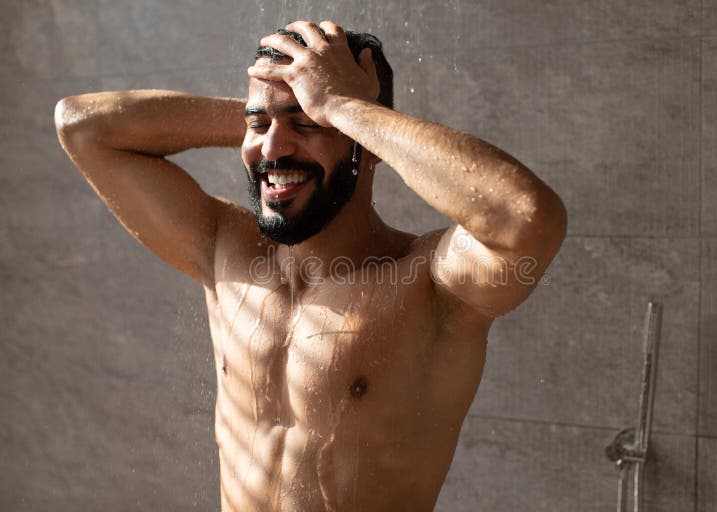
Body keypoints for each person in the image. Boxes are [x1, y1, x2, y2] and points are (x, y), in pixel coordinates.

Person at [54, 19, 567, 512]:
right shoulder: (227, 251)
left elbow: (525, 217)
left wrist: (342, 106)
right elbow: (83, 127)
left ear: (367, 141)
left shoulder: (431, 284)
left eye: (306, 126)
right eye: (260, 126)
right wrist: (282, 106)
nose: (272, 149)